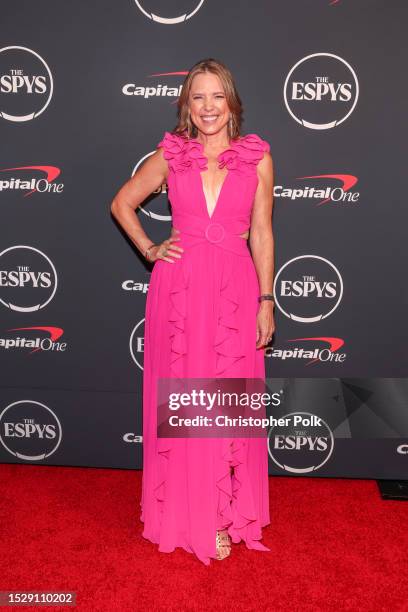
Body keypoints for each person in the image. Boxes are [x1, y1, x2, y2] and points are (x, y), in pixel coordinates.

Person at [111, 58, 275, 565]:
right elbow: (122, 203)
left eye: (216, 97)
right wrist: (149, 248)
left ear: (232, 103)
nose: (208, 108)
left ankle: (222, 515)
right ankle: (189, 514)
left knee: (225, 408)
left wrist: (267, 300)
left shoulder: (257, 157)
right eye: (198, 98)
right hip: (179, 290)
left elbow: (264, 231)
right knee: (184, 405)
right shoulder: (172, 154)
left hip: (234, 288)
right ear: (187, 105)